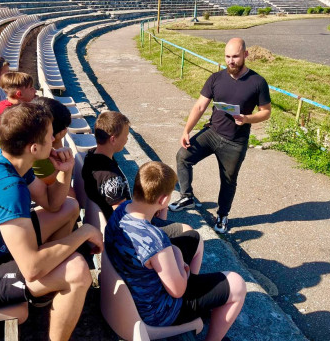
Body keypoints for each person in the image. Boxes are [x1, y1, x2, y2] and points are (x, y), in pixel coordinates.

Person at [0, 103, 103, 341]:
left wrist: (65, 170)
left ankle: (46, 291)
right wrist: (85, 232)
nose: (55, 140)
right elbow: (31, 268)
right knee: (78, 271)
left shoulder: (0, 157)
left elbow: (52, 204)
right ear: (35, 147)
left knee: (69, 207)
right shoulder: (8, 188)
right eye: (51, 136)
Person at [105, 161, 246, 340]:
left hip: (133, 288)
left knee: (193, 238)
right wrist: (179, 261)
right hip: (157, 311)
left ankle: (199, 301)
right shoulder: (156, 240)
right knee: (237, 284)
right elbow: (177, 291)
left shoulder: (121, 211)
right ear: (163, 200)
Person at [169, 38, 271, 234]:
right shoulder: (216, 78)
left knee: (228, 180)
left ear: (246, 55)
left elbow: (266, 111)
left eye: (235, 56)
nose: (230, 61)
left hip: (235, 142)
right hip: (212, 133)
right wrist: (186, 130)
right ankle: (187, 196)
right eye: (227, 56)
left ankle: (223, 215)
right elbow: (200, 106)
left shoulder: (258, 82)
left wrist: (247, 118)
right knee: (183, 156)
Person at [0, 97, 71, 185]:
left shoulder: (12, 128)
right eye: (51, 135)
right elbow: (54, 185)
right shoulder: (33, 151)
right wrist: (57, 143)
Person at [82, 111, 131, 220]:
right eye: (126, 136)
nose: (127, 139)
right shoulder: (110, 177)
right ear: (113, 139)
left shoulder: (90, 156)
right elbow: (122, 216)